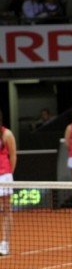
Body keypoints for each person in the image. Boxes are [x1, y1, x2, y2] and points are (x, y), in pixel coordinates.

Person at [0, 110, 16, 256]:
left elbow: (13, 155)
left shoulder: (7, 134)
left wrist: (9, 173)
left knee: (6, 210)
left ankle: (5, 243)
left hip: (4, 177)